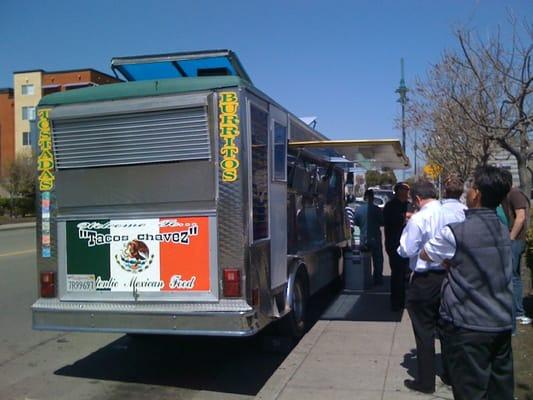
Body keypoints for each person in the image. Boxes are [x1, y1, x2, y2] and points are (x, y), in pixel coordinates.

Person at [420, 165, 514, 400]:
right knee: (500, 391)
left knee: (470, 391)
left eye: (471, 187)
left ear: (477, 194)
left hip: (467, 327)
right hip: (501, 323)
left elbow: (425, 254)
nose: (467, 192)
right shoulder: (503, 229)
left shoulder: (455, 232)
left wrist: (449, 262)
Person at [398, 179, 464, 394]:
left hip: (425, 279)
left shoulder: (419, 218)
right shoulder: (454, 213)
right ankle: (450, 374)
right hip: (449, 276)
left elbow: (406, 249)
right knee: (447, 328)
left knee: (424, 330)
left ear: (417, 198)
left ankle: (426, 381)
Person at [500, 170, 532, 326]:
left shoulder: (515, 194)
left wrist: (511, 237)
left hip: (515, 241)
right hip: (511, 239)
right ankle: (515, 310)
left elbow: (521, 217)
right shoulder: (506, 195)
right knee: (513, 275)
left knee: (513, 276)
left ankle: (518, 312)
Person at [383, 182, 410, 311]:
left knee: (406, 274)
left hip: (408, 245)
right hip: (394, 244)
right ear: (398, 191)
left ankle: (405, 300)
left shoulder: (409, 206)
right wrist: (404, 218)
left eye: (407, 189)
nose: (407, 192)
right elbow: (389, 222)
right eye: (404, 189)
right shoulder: (390, 206)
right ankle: (396, 302)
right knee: (397, 274)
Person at [353, 189, 384, 285]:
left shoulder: (358, 210)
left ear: (364, 197)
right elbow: (382, 222)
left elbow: (356, 222)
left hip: (363, 237)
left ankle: (364, 278)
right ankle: (377, 280)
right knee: (378, 260)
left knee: (364, 259)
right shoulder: (377, 209)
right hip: (375, 237)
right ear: (373, 198)